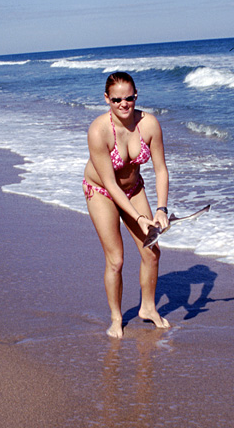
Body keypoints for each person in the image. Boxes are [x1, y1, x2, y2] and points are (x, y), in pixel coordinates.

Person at [83, 71, 171, 338]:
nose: (124, 104)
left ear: (136, 95)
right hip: (101, 192)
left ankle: (148, 308)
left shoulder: (149, 124)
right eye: (117, 99)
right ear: (107, 99)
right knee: (116, 260)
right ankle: (116, 317)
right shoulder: (99, 131)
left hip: (133, 189)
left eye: (129, 98)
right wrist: (138, 217)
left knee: (151, 252)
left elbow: (161, 170)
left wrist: (161, 210)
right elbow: (109, 184)